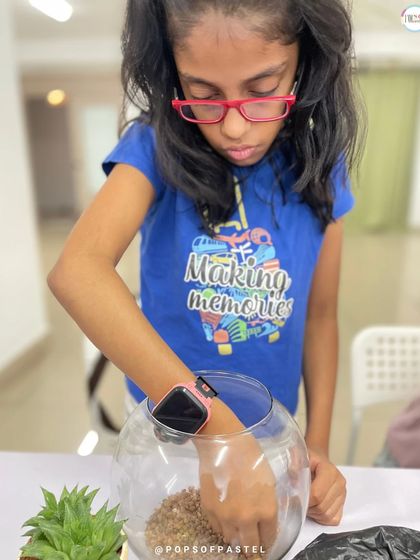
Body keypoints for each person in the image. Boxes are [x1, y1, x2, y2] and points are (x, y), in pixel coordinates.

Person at [48, 0, 364, 552]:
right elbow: (77, 271)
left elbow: (319, 318)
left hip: (271, 433)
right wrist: (213, 428)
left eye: (264, 88)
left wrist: (315, 447)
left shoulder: (322, 169)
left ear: (305, 66)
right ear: (173, 76)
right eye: (204, 94)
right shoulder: (151, 149)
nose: (236, 126)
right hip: (169, 436)